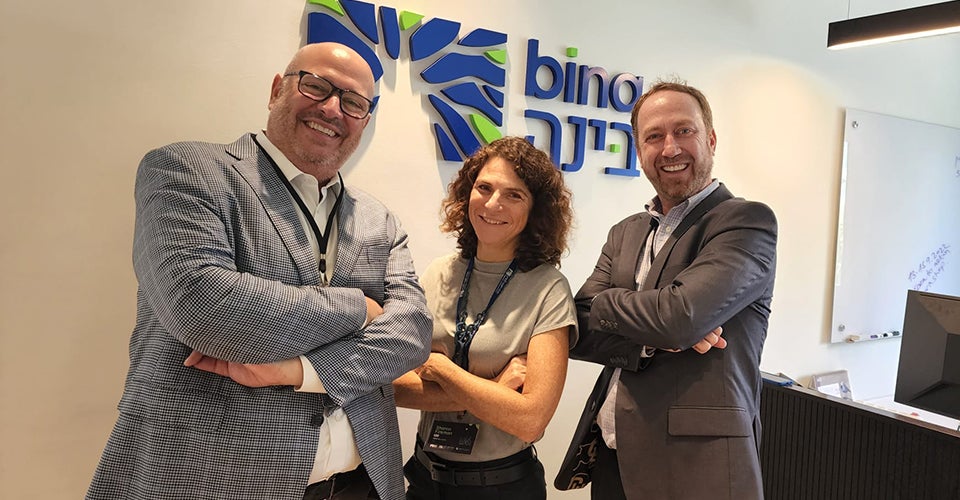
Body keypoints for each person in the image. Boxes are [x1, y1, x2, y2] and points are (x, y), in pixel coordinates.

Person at [86, 42, 432, 500]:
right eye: (316, 86)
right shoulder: (187, 170)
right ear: (277, 90)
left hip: (363, 481)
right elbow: (203, 305)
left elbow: (412, 334)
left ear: (365, 120)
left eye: (354, 102)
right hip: (214, 478)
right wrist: (360, 309)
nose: (332, 109)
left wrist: (298, 369)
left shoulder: (378, 219)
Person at [566, 79, 778, 500]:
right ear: (639, 150)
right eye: (654, 137)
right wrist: (651, 337)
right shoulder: (625, 233)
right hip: (613, 457)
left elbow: (679, 318)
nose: (670, 148)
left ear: (711, 139)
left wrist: (622, 307)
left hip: (698, 469)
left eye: (684, 131)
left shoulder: (745, 222)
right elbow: (580, 326)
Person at [393, 136, 577, 500]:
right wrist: (494, 391)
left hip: (502, 488)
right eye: (485, 187)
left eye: (514, 194)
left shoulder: (548, 289)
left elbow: (530, 420)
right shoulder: (438, 273)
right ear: (467, 193)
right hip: (425, 480)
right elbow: (391, 387)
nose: (493, 204)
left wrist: (437, 368)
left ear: (535, 210)